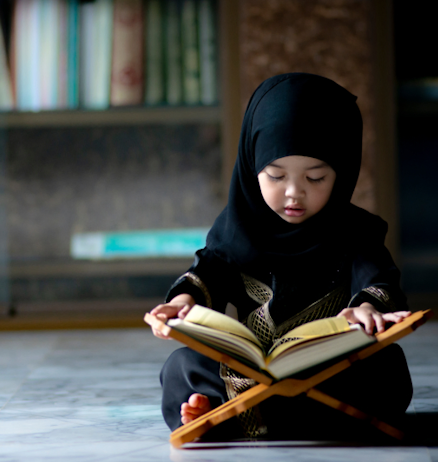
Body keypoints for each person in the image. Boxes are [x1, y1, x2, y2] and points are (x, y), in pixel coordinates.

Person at [149, 73, 413, 441]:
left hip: (326, 367)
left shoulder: (356, 231)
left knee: (387, 368)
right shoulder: (235, 228)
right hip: (250, 366)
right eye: (275, 176)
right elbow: (208, 271)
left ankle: (236, 414)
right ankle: (267, 411)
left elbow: (378, 280)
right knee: (182, 366)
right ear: (250, 164)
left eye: (316, 178)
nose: (294, 193)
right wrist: (182, 302)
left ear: (343, 171)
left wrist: (367, 308)